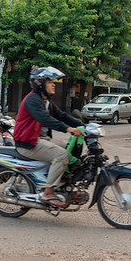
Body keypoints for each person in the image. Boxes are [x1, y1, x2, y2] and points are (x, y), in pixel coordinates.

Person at [13, 66, 84, 208]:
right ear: (40, 83)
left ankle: (61, 183)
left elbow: (62, 116)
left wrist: (83, 126)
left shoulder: (45, 101)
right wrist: (68, 129)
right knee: (62, 155)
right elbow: (45, 119)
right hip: (28, 143)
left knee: (69, 149)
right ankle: (48, 192)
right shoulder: (32, 100)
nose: (54, 84)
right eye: (50, 81)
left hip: (40, 140)